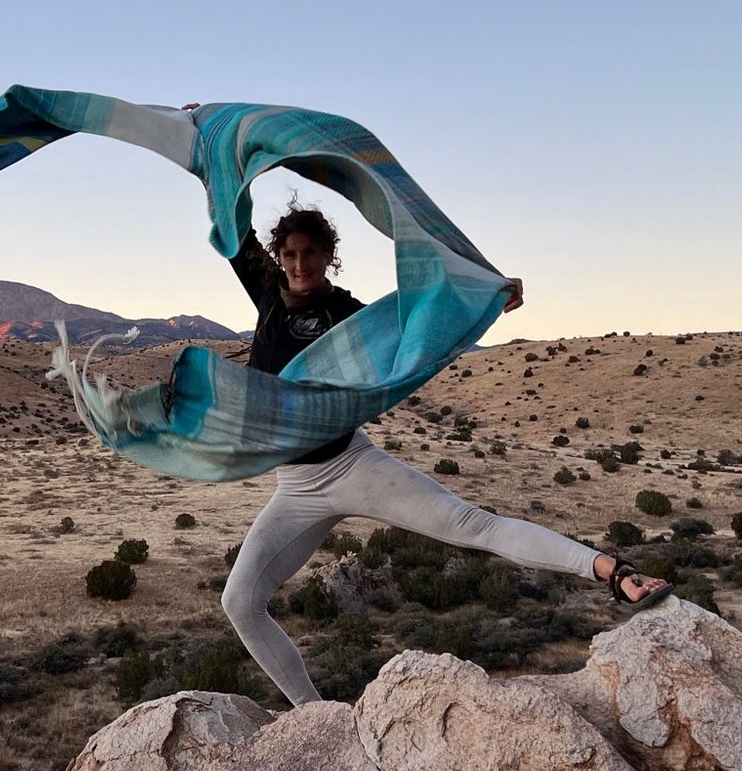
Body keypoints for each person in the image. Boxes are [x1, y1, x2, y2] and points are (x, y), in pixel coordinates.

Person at [214, 199, 672, 708]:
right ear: (280, 256)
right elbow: (233, 228)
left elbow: (424, 326)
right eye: (292, 254)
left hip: (351, 465)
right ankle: (317, 717)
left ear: (329, 256)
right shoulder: (269, 296)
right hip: (295, 486)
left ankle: (613, 572)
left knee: (473, 526)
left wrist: (486, 298)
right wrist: (211, 147)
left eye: (312, 253)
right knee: (239, 601)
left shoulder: (350, 314)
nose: (300, 265)